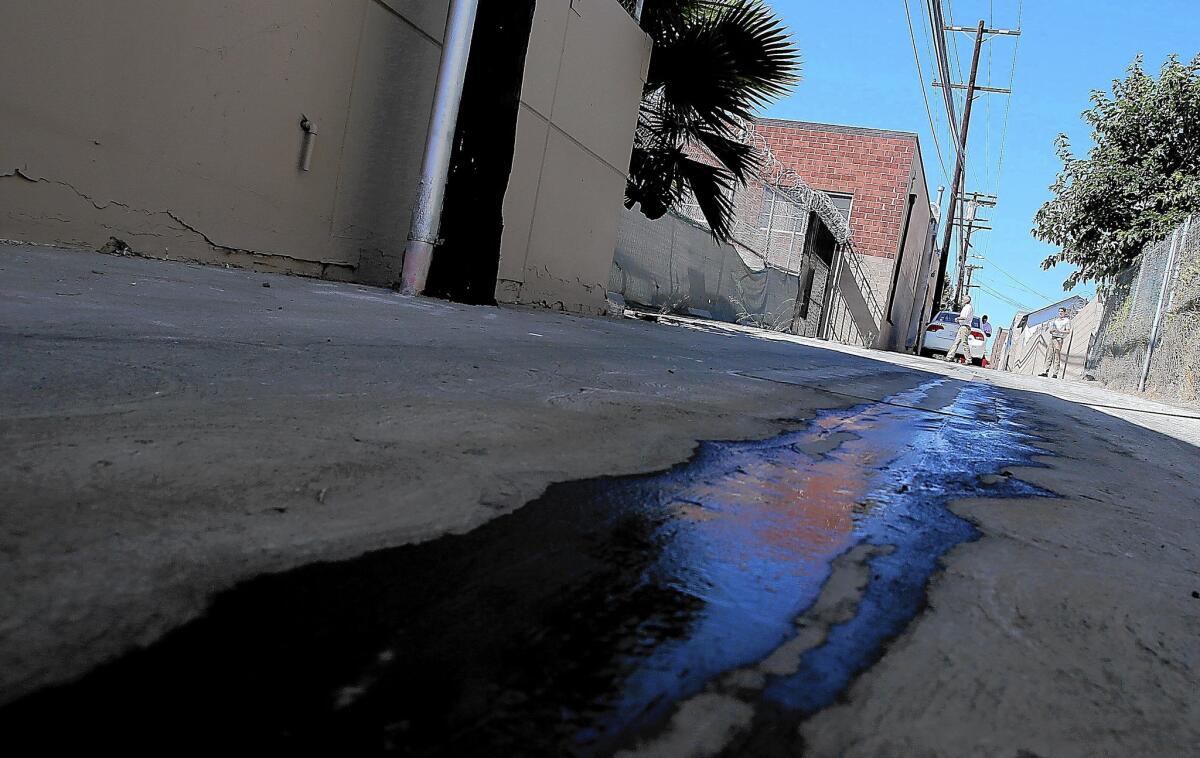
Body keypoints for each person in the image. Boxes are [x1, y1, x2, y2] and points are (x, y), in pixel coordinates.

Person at [1038, 307, 1072, 378]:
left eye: (1062, 311)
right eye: (1059, 311)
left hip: (1059, 339)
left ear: (1065, 312)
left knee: (1056, 355)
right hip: (1053, 338)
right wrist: (1051, 331)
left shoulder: (1066, 321)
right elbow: (1052, 329)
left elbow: (1068, 331)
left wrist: (1059, 331)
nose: (1060, 313)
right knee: (1049, 355)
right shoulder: (1056, 321)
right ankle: (1045, 371)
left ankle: (1055, 373)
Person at [944, 295, 974, 364]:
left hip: (965, 327)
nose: (962, 301)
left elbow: (964, 317)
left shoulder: (968, 307)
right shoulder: (966, 307)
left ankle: (968, 360)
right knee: (956, 342)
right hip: (962, 327)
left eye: (963, 299)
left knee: (964, 343)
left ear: (966, 301)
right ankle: (949, 357)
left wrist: (957, 318)